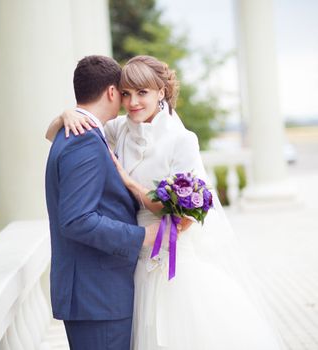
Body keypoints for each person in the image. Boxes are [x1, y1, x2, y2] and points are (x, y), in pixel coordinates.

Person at [47, 55, 284, 350]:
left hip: (169, 262)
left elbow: (189, 214)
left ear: (161, 92)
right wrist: (65, 115)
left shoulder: (181, 140)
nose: (133, 102)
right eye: (127, 93)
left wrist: (129, 181)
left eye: (142, 93)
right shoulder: (119, 128)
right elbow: (79, 129)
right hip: (132, 266)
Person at [45, 55, 161, 350]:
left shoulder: (77, 131)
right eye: (123, 92)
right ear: (111, 92)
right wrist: (143, 236)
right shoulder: (84, 139)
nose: (127, 100)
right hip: (98, 295)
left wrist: (64, 114)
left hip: (94, 293)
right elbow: (77, 219)